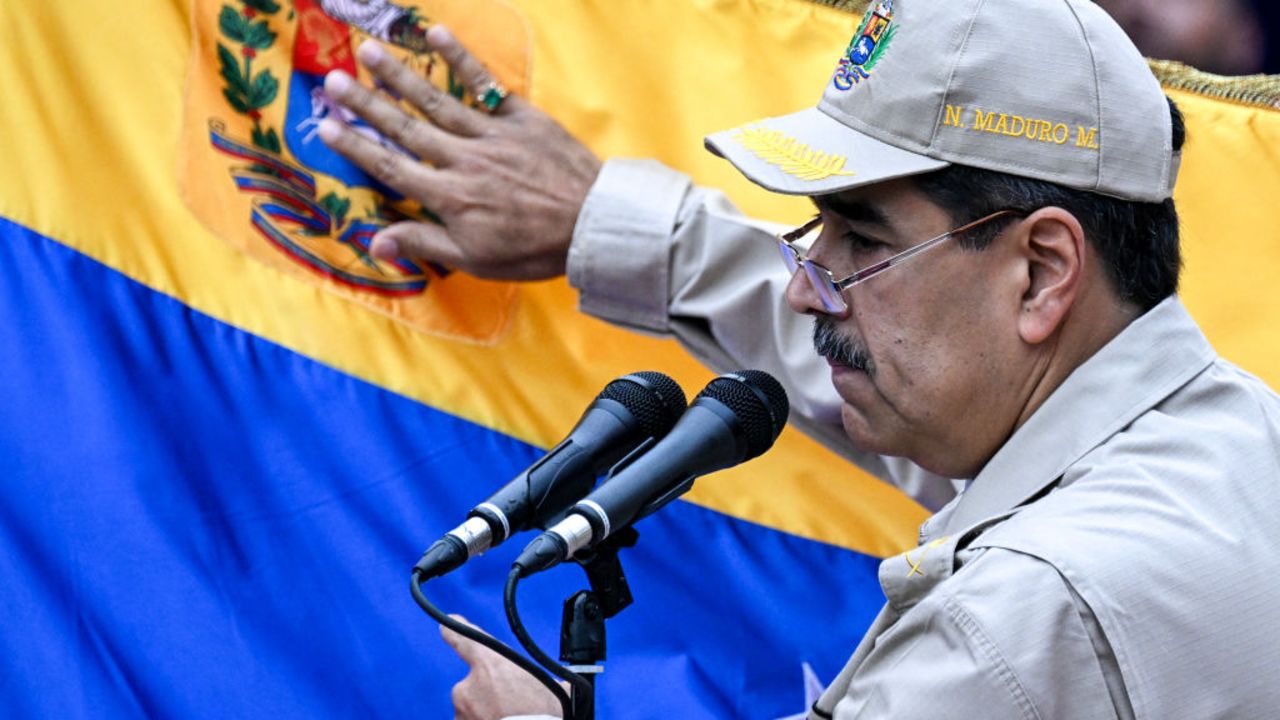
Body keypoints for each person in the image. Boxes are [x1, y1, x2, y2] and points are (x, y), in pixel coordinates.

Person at [317, 0, 1280, 717]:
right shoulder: (1227, 434)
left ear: (1041, 272)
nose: (805, 284)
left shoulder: (1022, 621)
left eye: (860, 240)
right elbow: (899, 370)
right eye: (812, 232)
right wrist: (606, 224)